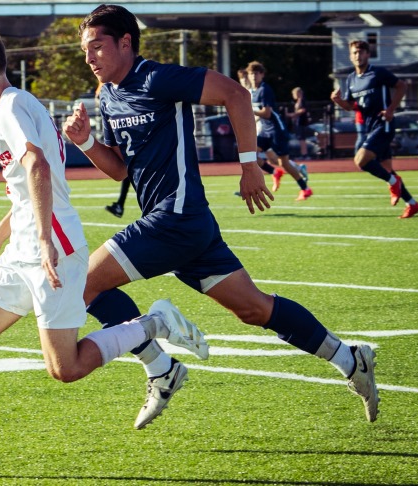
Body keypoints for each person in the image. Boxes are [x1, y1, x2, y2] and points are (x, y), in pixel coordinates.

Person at [0, 23, 208, 478]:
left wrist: (42, 241)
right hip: (25, 247)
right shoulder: (11, 107)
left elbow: (37, 166)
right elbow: (28, 185)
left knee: (66, 368)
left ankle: (153, 323)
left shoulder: (11, 107)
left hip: (49, 247)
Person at [63, 4, 379, 430]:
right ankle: (349, 357)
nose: (89, 57)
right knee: (254, 309)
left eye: (96, 47)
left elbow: (235, 93)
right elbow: (121, 168)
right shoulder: (108, 95)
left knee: (82, 281)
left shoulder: (158, 77)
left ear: (125, 43)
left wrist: (250, 165)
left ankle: (160, 367)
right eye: (86, 50)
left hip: (174, 218)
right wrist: (86, 143)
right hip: (185, 225)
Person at [331, 40, 418, 219]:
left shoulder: (378, 73)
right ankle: (412, 204)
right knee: (387, 168)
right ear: (350, 56)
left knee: (360, 160)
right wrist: (338, 101)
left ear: (367, 54)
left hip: (383, 124)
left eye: (361, 52)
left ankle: (393, 182)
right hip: (369, 127)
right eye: (355, 53)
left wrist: (390, 110)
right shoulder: (351, 79)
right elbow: (351, 106)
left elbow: (401, 86)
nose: (358, 55)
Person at [246, 61, 312, 200]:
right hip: (265, 131)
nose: (253, 76)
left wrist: (250, 111)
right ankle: (274, 172)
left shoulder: (264, 89)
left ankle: (305, 189)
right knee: (249, 155)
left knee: (285, 163)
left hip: (276, 130)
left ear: (262, 74)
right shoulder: (252, 91)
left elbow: (267, 113)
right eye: (251, 73)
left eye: (256, 73)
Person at [287, 87, 311, 161]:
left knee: (302, 139)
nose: (293, 95)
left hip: (302, 122)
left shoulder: (302, 101)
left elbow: (303, 110)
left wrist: (292, 115)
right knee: (301, 139)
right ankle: (303, 154)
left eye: (294, 93)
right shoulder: (298, 101)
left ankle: (305, 155)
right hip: (298, 123)